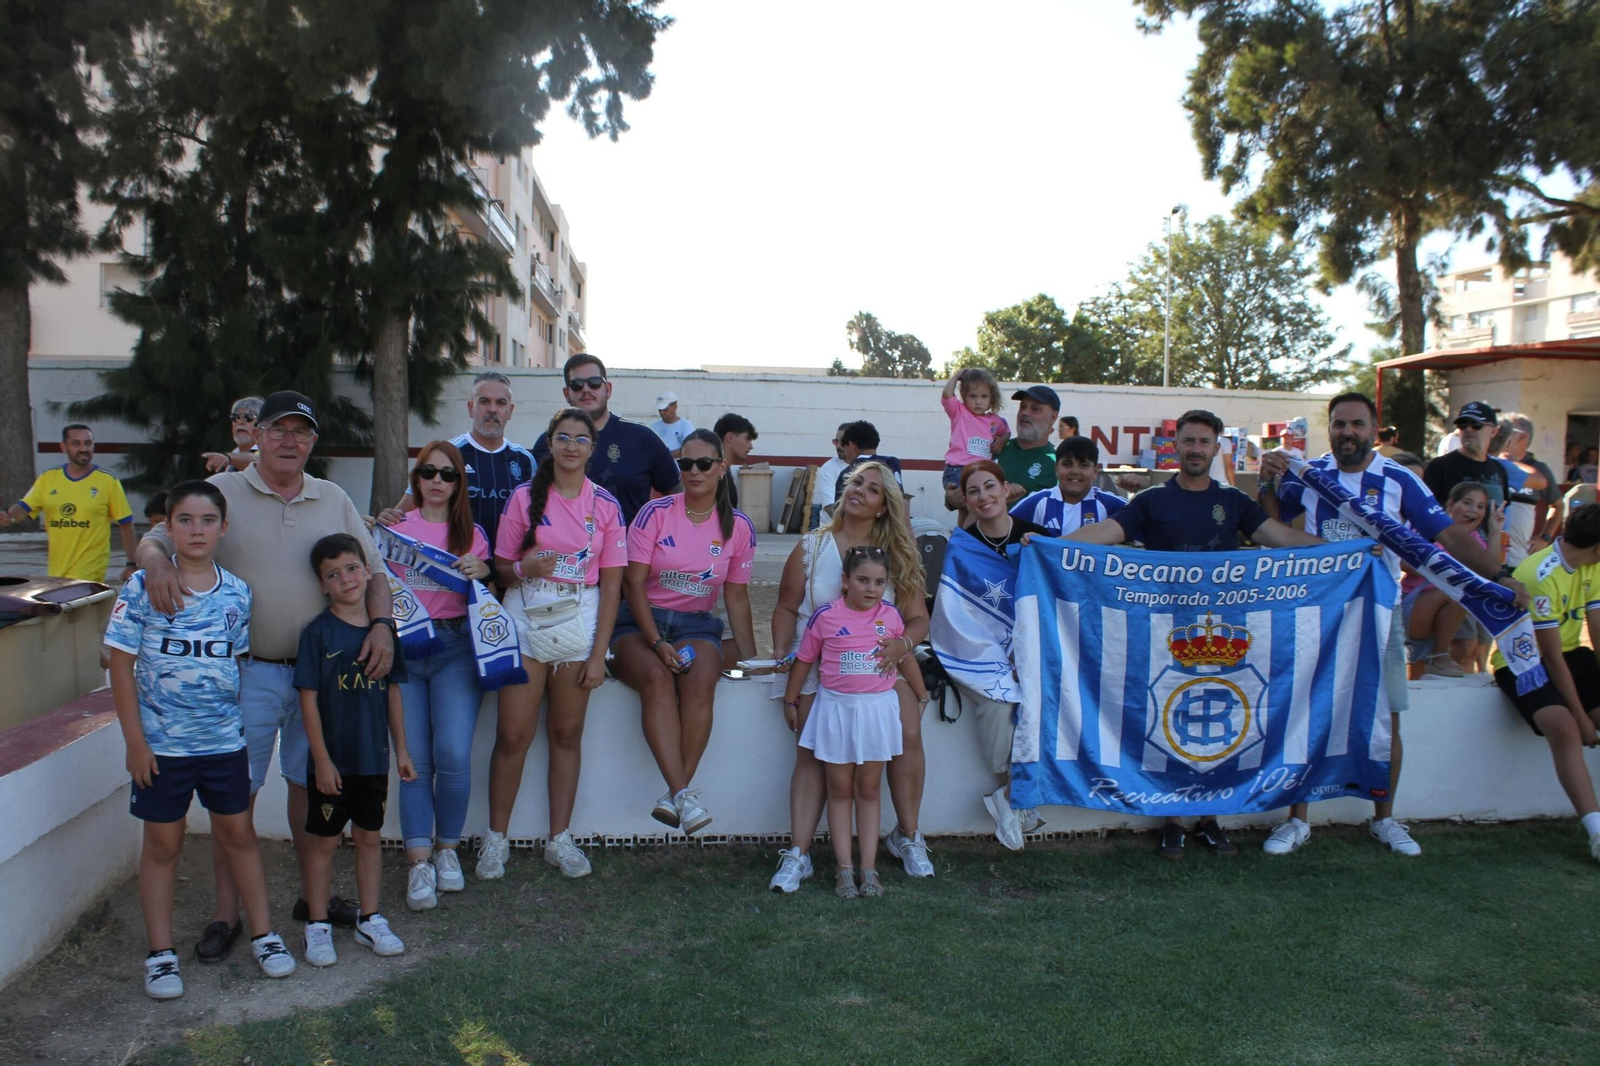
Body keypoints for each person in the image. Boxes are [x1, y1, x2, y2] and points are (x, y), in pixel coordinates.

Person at [133, 390, 395, 961]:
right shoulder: (224, 491)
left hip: (320, 678)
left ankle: (311, 903)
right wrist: (155, 562)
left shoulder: (333, 497)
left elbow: (374, 570)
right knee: (237, 799)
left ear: (313, 442)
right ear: (256, 435)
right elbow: (159, 532)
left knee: (312, 788)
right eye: (278, 429)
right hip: (243, 675)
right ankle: (228, 915)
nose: (288, 441)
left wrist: (382, 626)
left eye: (301, 432)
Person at [1260, 393, 1513, 857]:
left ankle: (1385, 818)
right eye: (1339, 424)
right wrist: (1266, 481)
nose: (1346, 433)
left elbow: (1450, 534)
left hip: (1381, 612)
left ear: (1373, 431)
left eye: (1356, 424)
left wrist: (1498, 576)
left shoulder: (1398, 479)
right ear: (1330, 430)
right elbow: (1272, 521)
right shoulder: (1312, 475)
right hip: (1319, 611)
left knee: (1387, 714)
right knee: (1306, 713)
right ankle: (1297, 821)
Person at [1069, 409, 1323, 858]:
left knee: (1222, 716)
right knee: (1168, 718)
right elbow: (1107, 533)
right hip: (1165, 631)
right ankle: (1171, 820)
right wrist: (1053, 546)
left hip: (1224, 631)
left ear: (1216, 446)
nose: (1195, 449)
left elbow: (1281, 538)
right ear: (1177, 446)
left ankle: (1210, 818)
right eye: (1188, 441)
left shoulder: (1233, 501)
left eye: (1204, 442)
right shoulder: (1151, 500)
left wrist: (1345, 551)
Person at [104, 480, 296, 999]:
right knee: (163, 843)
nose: (196, 530)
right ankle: (161, 954)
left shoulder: (237, 592)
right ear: (168, 527)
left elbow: (231, 664)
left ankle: (264, 934)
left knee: (239, 836)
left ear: (222, 528)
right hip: (162, 747)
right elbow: (120, 668)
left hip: (222, 745)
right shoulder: (143, 587)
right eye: (184, 520)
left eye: (207, 520)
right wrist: (135, 742)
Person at [768, 462, 933, 891]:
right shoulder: (811, 546)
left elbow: (917, 619)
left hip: (880, 664)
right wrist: (782, 652)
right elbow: (786, 608)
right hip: (820, 660)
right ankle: (799, 854)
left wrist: (903, 647)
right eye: (857, 481)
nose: (860, 490)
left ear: (883, 507)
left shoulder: (897, 554)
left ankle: (908, 837)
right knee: (810, 750)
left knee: (908, 730)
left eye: (873, 489)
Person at [477, 408, 627, 881]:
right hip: (526, 614)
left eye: (581, 440)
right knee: (512, 735)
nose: (571, 447)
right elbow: (500, 568)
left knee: (566, 735)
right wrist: (526, 569)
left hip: (580, 619)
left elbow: (613, 586)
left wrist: (600, 653)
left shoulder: (605, 505)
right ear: (549, 441)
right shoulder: (524, 499)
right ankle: (495, 838)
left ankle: (559, 838)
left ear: (592, 448)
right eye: (562, 437)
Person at [610, 429, 757, 833]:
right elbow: (631, 584)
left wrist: (750, 660)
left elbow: (737, 598)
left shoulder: (739, 527)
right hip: (640, 623)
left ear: (721, 468)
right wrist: (656, 642)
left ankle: (676, 796)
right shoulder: (654, 512)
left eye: (704, 463)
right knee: (657, 678)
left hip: (696, 626)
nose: (693, 471)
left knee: (704, 676)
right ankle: (683, 793)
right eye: (685, 464)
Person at [380, 441, 494, 911]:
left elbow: (487, 586)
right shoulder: (392, 529)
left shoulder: (474, 535)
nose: (437, 481)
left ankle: (447, 849)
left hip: (455, 648)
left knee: (452, 751)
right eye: (429, 471)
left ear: (459, 482)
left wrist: (483, 570)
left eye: (448, 474)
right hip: (405, 651)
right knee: (412, 761)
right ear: (417, 477)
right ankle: (419, 862)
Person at [294, 534, 414, 965]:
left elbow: (393, 694)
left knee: (369, 838)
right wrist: (322, 759)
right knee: (324, 844)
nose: (345, 578)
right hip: (332, 765)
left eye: (352, 568)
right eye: (333, 573)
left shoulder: (384, 634)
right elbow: (307, 699)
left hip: (372, 761)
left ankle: (370, 918)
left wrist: (401, 749)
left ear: (367, 570)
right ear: (322, 584)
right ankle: (318, 924)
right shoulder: (317, 634)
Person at [782, 545, 925, 899]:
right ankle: (844, 870)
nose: (871, 589)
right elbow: (803, 660)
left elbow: (904, 659)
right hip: (835, 711)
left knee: (869, 790)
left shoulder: (891, 618)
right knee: (840, 790)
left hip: (876, 713)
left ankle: (869, 869)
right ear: (845, 581)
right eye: (862, 580)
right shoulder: (826, 617)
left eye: (879, 582)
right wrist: (791, 698)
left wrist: (921, 695)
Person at [1488, 503, 1600, 863]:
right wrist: (1582, 718)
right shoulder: (1540, 574)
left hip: (1570, 653)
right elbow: (1549, 658)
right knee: (1565, 727)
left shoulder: (1593, 565)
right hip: (1521, 659)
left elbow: (1596, 632)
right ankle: (1597, 833)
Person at [954, 461, 1049, 850]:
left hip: (1032, 646)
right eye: (973, 491)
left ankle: (1010, 801)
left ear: (1006, 488)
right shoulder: (963, 546)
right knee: (998, 699)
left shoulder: (1036, 537)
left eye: (990, 486)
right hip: (979, 651)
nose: (983, 496)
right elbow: (955, 612)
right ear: (965, 499)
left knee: (1041, 699)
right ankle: (1011, 794)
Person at [383, 371, 535, 563]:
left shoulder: (525, 461)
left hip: (511, 573)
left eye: (501, 403)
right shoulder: (446, 455)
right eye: (484, 401)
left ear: (510, 411)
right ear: (471, 408)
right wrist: (387, 520)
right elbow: (405, 512)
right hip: (458, 572)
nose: (492, 409)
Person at [532, 355, 680, 525]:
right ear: (567, 393)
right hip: (563, 550)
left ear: (608, 389)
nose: (586, 389)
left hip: (628, 548)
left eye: (594, 382)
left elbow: (676, 494)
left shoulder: (643, 438)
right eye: (577, 385)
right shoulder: (550, 443)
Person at [3, 424, 136, 583]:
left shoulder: (107, 481)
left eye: (88, 443)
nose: (83, 448)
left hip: (90, 574)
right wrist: (8, 516)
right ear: (63, 447)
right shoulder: (48, 478)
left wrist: (131, 563)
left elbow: (126, 523)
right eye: (76, 443)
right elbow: (24, 507)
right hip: (56, 574)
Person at [1399, 482, 1500, 679]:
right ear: (1451, 505)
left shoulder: (1474, 539)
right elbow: (1403, 562)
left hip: (1447, 614)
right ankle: (1440, 655)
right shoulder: (1428, 529)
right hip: (1413, 606)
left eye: (1480, 507)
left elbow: (1491, 570)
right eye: (1468, 503)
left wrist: (1495, 531)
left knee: (1464, 649)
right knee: (1458, 592)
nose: (1473, 510)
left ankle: (1441, 661)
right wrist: (1445, 570)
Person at [1010, 436, 1128, 535]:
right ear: (1056, 469)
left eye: (1084, 465)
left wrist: (1141, 490)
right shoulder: (1037, 502)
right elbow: (1001, 530)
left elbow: (1145, 519)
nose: (1075, 471)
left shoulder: (1110, 504)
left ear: (1095, 471)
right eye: (1067, 464)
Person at [939, 367, 1009, 511]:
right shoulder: (959, 412)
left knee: (978, 507)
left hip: (982, 470)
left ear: (992, 398)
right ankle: (964, 531)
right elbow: (947, 394)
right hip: (957, 469)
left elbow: (1006, 432)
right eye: (973, 396)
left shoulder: (994, 420)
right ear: (964, 396)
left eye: (984, 396)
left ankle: (968, 532)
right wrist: (957, 376)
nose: (978, 402)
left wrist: (1001, 441)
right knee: (969, 506)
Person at [1424, 402, 1510, 512]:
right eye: (1462, 425)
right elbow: (1426, 512)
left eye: (1476, 424)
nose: (1468, 429)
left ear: (1494, 432)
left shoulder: (1499, 470)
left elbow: (1503, 512)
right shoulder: (1439, 467)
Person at [1501, 414, 1565, 550]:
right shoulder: (1493, 463)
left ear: (1522, 437)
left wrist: (1545, 538)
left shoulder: (1539, 470)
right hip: (1488, 554)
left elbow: (1558, 506)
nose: (1500, 434)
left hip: (1519, 557)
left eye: (1507, 431)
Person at [992, 386, 1059, 503]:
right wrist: (954, 497)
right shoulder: (996, 447)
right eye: (1022, 407)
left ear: (1053, 417)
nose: (1025, 412)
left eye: (1035, 409)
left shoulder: (1058, 464)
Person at [832, 421, 905, 501]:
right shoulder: (891, 462)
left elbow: (839, 510)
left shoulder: (847, 473)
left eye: (845, 448)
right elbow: (899, 501)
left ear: (851, 445)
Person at [202, 396, 265, 473]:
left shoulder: (266, 452)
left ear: (262, 424)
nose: (240, 422)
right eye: (235, 417)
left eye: (248, 417)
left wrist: (228, 457)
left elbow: (256, 461)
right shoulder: (234, 454)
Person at [810, 424, 851, 532]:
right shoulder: (828, 468)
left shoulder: (868, 466)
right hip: (833, 534)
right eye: (836, 442)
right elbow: (830, 507)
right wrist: (854, 527)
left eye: (843, 442)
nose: (838, 446)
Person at [714, 413, 759, 509]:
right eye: (747, 439)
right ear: (730, 437)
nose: (751, 446)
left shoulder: (723, 471)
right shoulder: (715, 475)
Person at [651, 392, 695, 457]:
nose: (662, 413)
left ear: (675, 406)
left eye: (665, 409)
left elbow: (689, 449)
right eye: (660, 410)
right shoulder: (653, 427)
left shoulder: (686, 426)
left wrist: (665, 457)